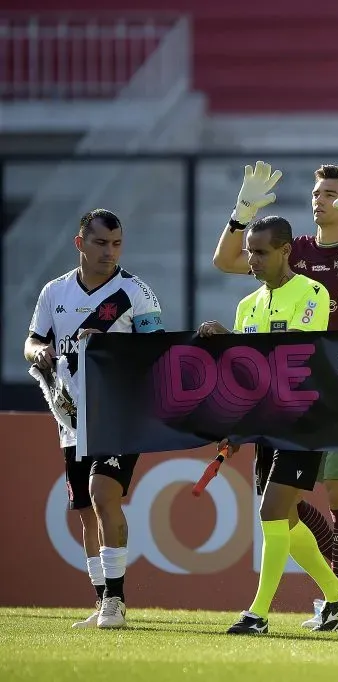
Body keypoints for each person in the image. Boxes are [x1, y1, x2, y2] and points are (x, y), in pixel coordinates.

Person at [212, 161, 338, 627]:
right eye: (317, 193)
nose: (320, 200)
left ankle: (323, 604)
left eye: (331, 193)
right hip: (280, 398)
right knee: (278, 502)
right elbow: (225, 261)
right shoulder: (292, 252)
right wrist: (242, 211)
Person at [201, 215, 338, 635]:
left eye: (261, 252)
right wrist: (235, 426)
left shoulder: (313, 292)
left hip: (303, 418)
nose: (251, 260)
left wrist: (233, 343)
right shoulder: (246, 306)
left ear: (287, 251)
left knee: (272, 511)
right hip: (264, 424)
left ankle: (257, 614)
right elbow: (245, 376)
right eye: (250, 251)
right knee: (284, 518)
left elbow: (293, 359)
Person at [25, 209, 164, 629]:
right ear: (80, 242)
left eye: (117, 243)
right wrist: (38, 353)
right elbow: (34, 339)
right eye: (101, 243)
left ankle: (117, 603)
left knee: (103, 493)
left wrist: (108, 347)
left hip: (121, 412)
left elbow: (157, 353)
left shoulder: (134, 292)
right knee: (86, 509)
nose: (110, 251)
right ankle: (102, 600)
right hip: (72, 415)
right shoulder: (55, 292)